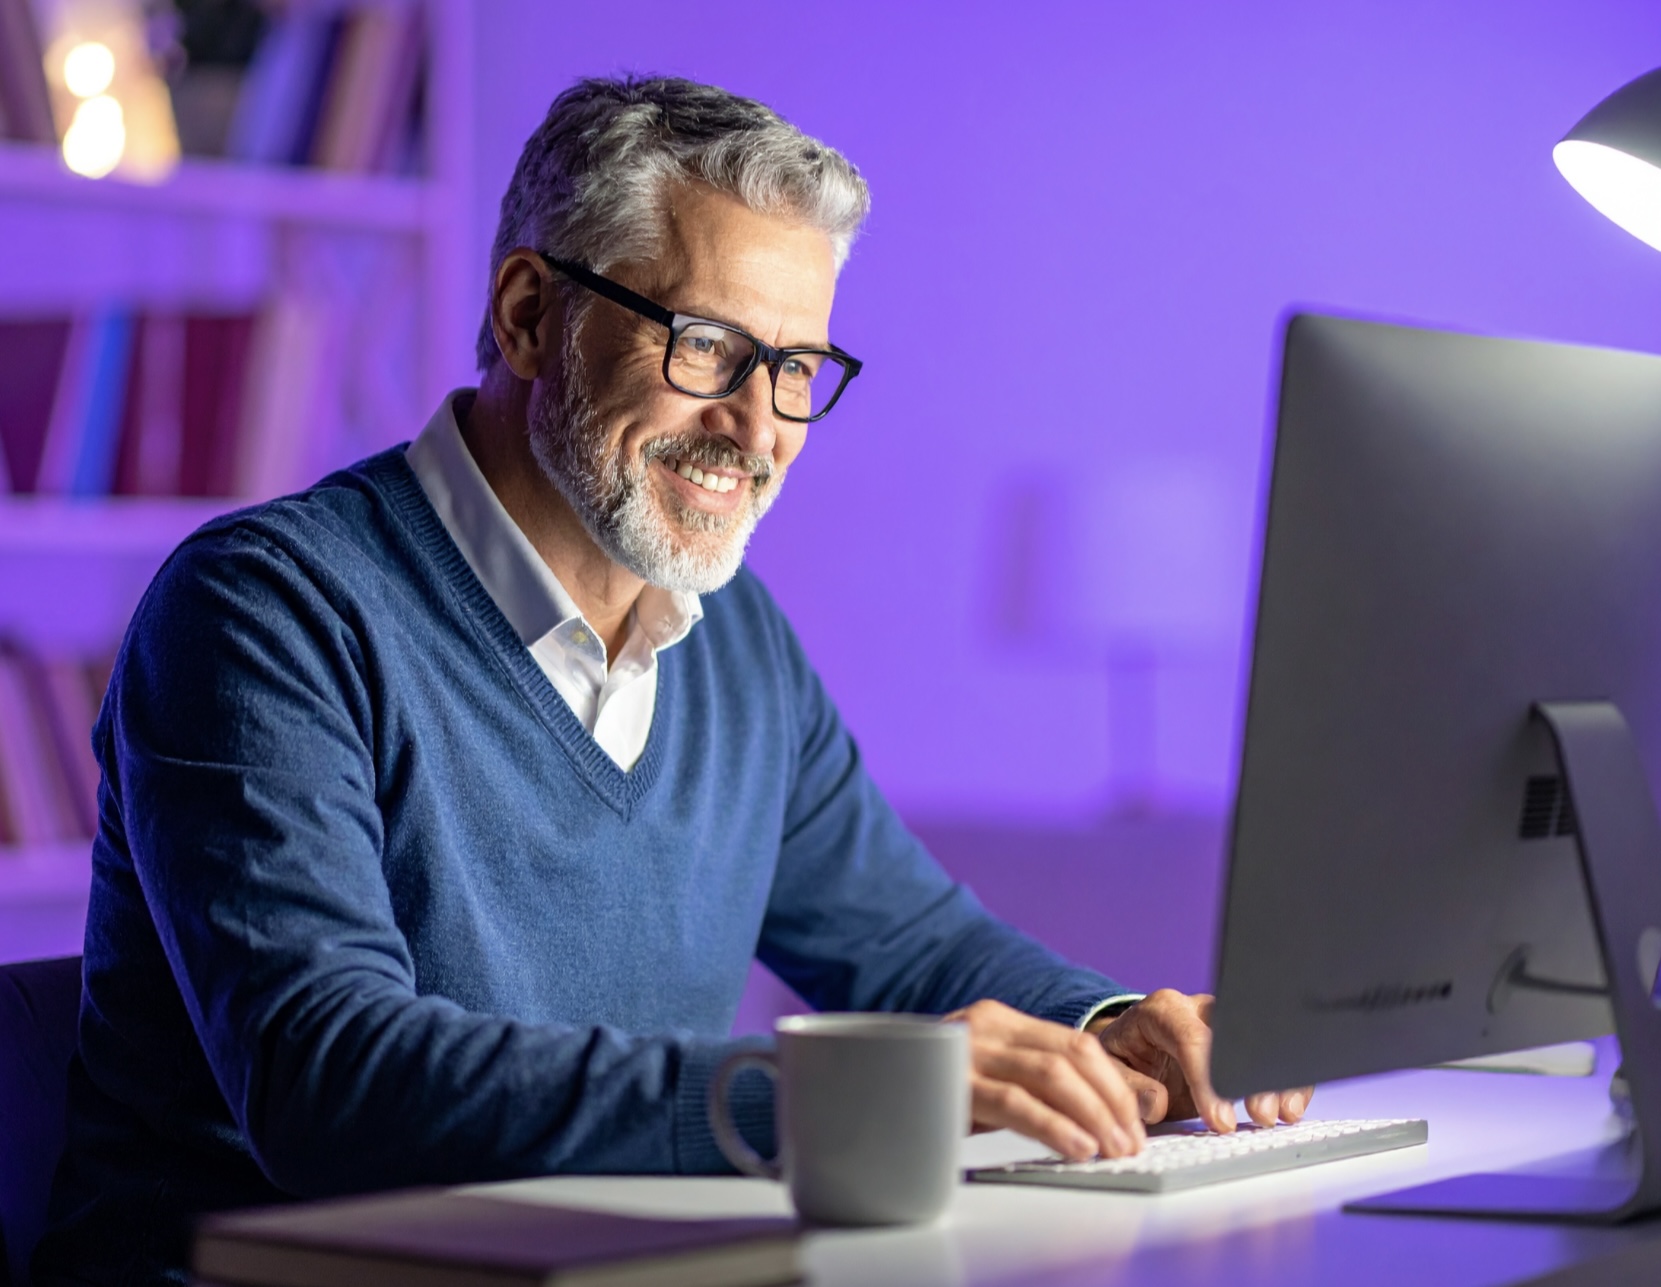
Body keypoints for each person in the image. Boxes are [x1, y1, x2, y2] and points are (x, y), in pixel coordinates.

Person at [36, 76, 1310, 1284]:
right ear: (532, 314)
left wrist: (1101, 1030)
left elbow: (907, 942)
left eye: (797, 368)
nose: (757, 429)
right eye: (707, 346)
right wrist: (834, 1101)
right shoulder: (267, 610)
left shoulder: (732, 635)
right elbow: (332, 1082)